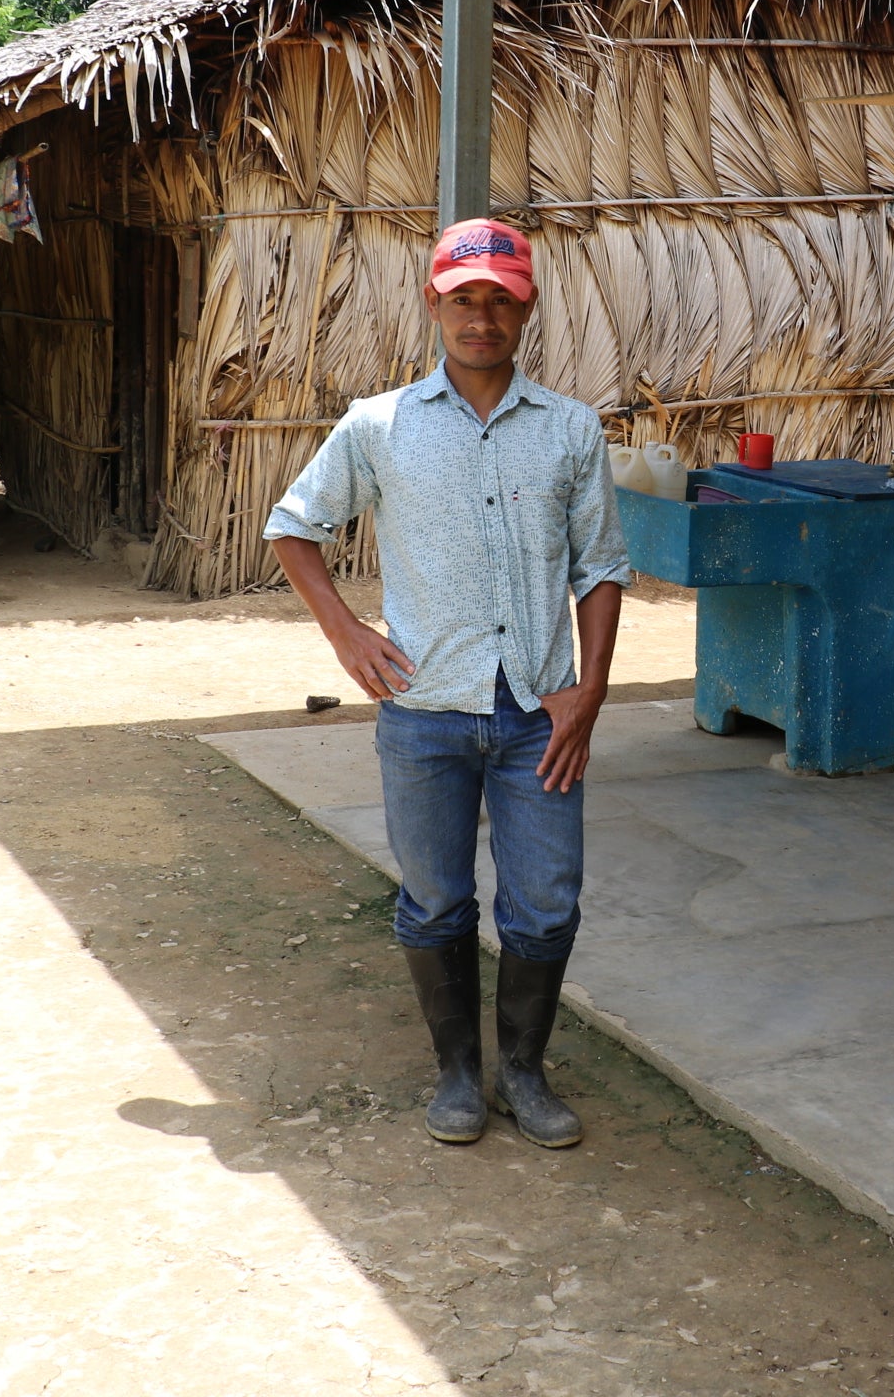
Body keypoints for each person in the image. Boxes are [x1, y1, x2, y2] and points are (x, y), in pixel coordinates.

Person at [265, 218, 630, 1148]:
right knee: (434, 900)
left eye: (500, 300)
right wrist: (346, 633)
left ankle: (524, 1070)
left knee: (546, 899)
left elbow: (601, 568)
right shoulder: (379, 426)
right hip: (424, 711)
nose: (481, 318)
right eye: (464, 299)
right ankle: (459, 1076)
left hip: (538, 713)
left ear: (526, 309)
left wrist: (589, 692)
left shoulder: (570, 431)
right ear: (434, 303)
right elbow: (292, 525)